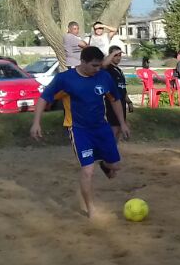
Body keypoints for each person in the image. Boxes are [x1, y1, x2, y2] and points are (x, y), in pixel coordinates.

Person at [29, 45, 130, 218]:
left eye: (100, 66)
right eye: (94, 66)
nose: (98, 69)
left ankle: (105, 164)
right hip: (79, 130)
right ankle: (91, 209)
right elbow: (44, 98)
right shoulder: (65, 79)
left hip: (102, 128)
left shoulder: (104, 77)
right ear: (82, 61)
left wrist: (123, 123)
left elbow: (115, 100)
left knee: (115, 167)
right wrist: (36, 123)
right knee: (87, 170)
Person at [103, 45, 130, 141]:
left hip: (121, 102)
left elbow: (123, 87)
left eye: (119, 55)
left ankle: (113, 151)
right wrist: (112, 54)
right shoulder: (107, 69)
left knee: (118, 129)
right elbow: (103, 64)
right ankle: (109, 152)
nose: (118, 58)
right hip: (111, 102)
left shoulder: (118, 70)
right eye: (115, 55)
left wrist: (129, 102)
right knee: (114, 129)